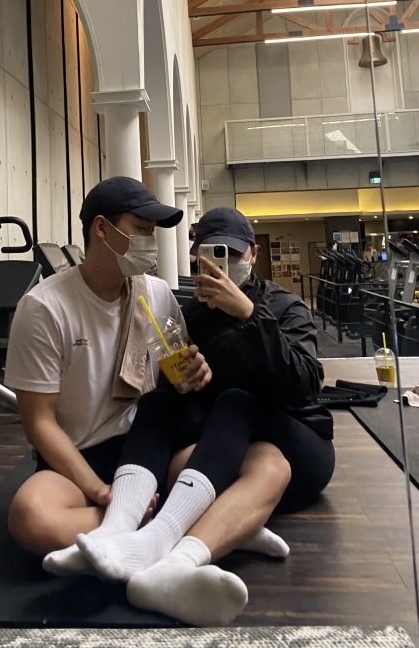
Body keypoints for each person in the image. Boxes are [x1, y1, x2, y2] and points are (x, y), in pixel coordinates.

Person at [43, 206, 334, 626]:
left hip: (300, 440)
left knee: (235, 400)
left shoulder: (284, 307)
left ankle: (156, 542)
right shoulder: (193, 315)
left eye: (233, 254)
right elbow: (186, 399)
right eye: (211, 255)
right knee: (159, 403)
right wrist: (183, 378)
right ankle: (119, 528)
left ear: (253, 255)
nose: (222, 265)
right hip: (229, 447)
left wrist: (250, 316)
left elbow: (305, 386)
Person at [4, 176, 211, 557]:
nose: (151, 242)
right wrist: (100, 492)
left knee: (227, 468)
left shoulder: (156, 293)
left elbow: (178, 376)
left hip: (148, 446)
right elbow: (39, 422)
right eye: (142, 230)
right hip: (80, 456)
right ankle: (156, 525)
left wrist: (195, 373)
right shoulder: (45, 308)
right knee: (30, 517)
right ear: (101, 228)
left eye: (153, 232)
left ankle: (127, 528)